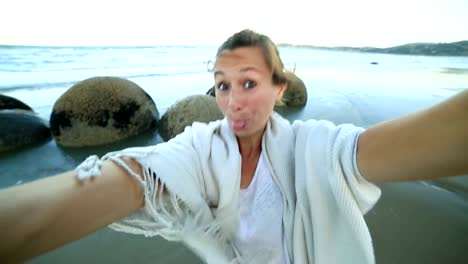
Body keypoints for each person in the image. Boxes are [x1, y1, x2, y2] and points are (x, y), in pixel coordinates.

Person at [0, 29, 467, 264]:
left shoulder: (317, 148)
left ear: (281, 88)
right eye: (222, 85)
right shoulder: (200, 148)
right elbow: (134, 176)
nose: (232, 101)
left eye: (248, 83)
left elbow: (437, 138)